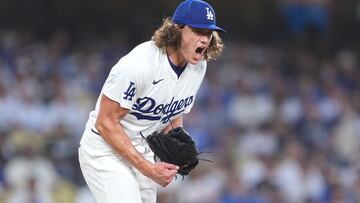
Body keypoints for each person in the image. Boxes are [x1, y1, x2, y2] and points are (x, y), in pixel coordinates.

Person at [78, 0, 225, 202]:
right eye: (197, 31)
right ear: (176, 29)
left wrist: (175, 139)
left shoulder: (198, 67)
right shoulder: (140, 65)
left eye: (208, 33)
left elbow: (173, 110)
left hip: (141, 149)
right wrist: (148, 168)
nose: (204, 39)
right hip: (104, 152)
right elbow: (105, 122)